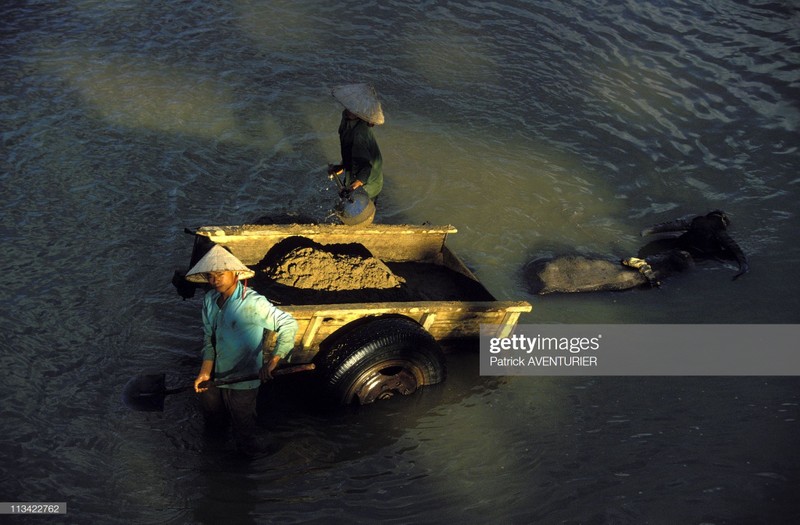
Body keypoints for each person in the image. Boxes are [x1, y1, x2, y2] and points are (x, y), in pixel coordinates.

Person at [184, 244, 298, 456]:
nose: (214, 279)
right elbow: (209, 338)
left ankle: (248, 469)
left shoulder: (252, 303)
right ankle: (215, 460)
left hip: (244, 378)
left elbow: (288, 324)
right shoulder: (209, 300)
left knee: (244, 429)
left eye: (220, 273)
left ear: (235, 273)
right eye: (210, 275)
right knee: (213, 423)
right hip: (215, 376)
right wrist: (205, 371)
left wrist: (273, 362)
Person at [328, 83, 385, 203]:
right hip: (355, 170)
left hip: (368, 183)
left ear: (361, 114)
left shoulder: (360, 134)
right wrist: (342, 166)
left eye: (354, 109)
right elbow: (349, 149)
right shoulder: (346, 117)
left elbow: (365, 168)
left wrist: (352, 188)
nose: (350, 110)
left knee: (359, 209)